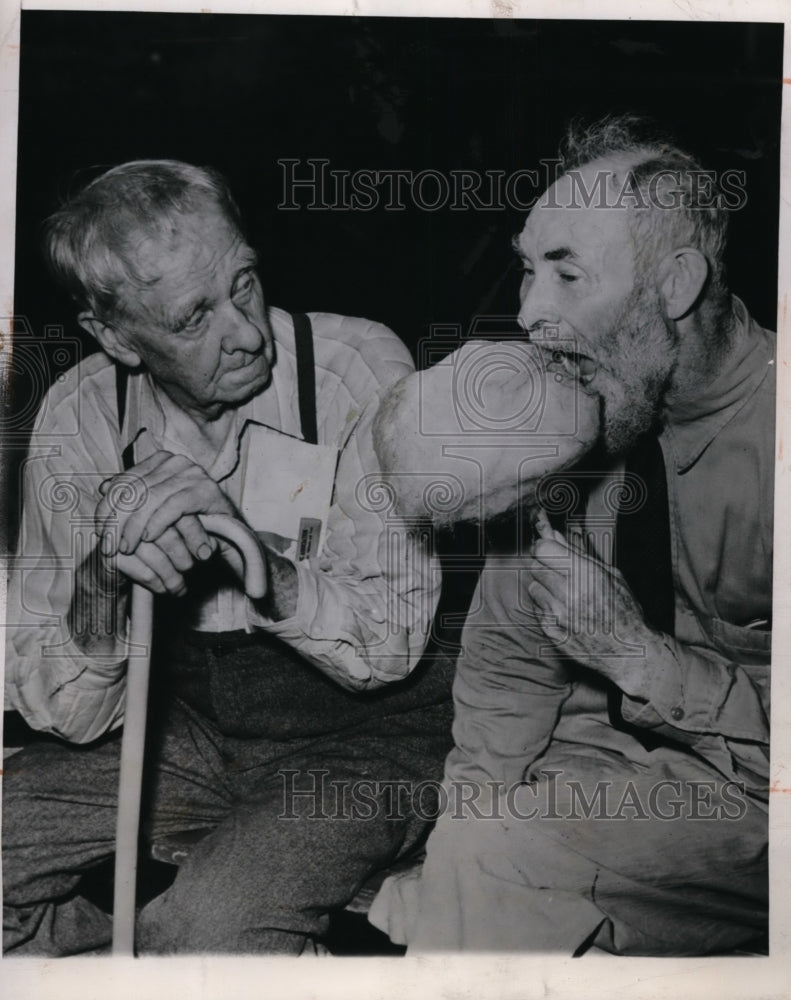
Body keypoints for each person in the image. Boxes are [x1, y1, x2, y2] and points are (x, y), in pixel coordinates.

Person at [3, 160, 457, 955]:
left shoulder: (354, 370)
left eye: (244, 282)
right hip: (190, 730)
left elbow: (386, 650)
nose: (246, 331)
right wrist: (102, 584)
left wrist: (257, 561)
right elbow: (65, 714)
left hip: (372, 738)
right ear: (114, 336)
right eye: (193, 318)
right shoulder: (79, 418)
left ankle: (147, 937)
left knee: (209, 926)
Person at [368, 115, 773, 955]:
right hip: (634, 769)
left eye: (567, 275)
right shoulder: (585, 416)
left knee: (492, 867)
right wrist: (466, 824)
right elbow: (506, 665)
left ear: (674, 285)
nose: (528, 315)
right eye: (526, 269)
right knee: (463, 852)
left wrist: (637, 657)